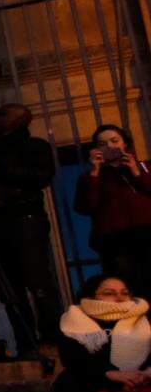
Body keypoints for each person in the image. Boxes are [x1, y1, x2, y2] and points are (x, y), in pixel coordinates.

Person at [0, 103, 63, 353]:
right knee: (9, 290)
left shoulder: (33, 146)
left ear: (19, 120)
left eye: (1, 114)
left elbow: (40, 176)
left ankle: (51, 338)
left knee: (38, 281)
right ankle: (26, 342)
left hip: (25, 220)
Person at [51, 272, 151, 392]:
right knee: (69, 382)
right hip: (99, 377)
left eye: (124, 292)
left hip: (142, 376)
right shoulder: (74, 320)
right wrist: (111, 373)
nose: (120, 297)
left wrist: (146, 373)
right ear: (92, 296)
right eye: (109, 292)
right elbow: (74, 358)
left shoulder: (145, 319)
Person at [73, 123, 151, 296]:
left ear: (125, 143)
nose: (109, 146)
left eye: (114, 140)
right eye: (102, 144)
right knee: (126, 288)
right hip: (114, 241)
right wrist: (95, 171)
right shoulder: (90, 176)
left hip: (147, 234)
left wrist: (136, 170)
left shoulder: (145, 166)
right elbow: (86, 206)